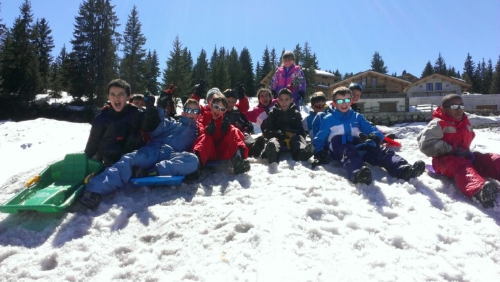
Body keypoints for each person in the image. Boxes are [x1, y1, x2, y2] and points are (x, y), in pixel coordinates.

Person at [79, 98, 202, 209]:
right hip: (156, 148)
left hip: (174, 155)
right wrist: (160, 108)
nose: (192, 113)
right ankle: (94, 190)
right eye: (188, 109)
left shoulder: (199, 130)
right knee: (129, 159)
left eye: (195, 111)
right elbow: (156, 130)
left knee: (193, 160)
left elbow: (207, 140)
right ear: (183, 112)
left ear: (199, 115)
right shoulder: (172, 123)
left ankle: (153, 170)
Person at [312, 86, 425, 184]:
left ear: (351, 101)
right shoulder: (328, 119)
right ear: (334, 103)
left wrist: (374, 137)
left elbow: (370, 128)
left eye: (346, 100)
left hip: (357, 144)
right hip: (339, 147)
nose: (344, 103)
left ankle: (403, 169)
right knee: (348, 150)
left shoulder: (357, 116)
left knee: (380, 150)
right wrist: (319, 152)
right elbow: (321, 137)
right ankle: (359, 173)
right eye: (340, 101)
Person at [417, 94, 500, 208]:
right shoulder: (438, 123)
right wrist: (452, 149)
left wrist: (464, 152)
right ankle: (479, 191)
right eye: (454, 106)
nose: (459, 109)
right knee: (461, 165)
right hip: (443, 161)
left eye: (461, 105)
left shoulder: (464, 122)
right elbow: (425, 145)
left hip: (465, 156)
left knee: (493, 159)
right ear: (443, 109)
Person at [84, 79, 160, 166]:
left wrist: (150, 108)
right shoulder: (101, 118)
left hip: (133, 161)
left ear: (128, 97)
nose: (116, 98)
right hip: (109, 162)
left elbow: (149, 126)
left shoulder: (136, 113)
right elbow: (93, 142)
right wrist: (85, 160)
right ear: (108, 97)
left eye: (121, 94)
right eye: (112, 95)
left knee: (135, 137)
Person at [192, 92, 250, 174]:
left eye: (222, 109)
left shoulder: (224, 121)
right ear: (211, 106)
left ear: (225, 111)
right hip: (207, 153)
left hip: (221, 153)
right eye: (216, 107)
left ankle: (238, 158)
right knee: (206, 137)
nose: (218, 110)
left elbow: (239, 135)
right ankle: (196, 165)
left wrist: (229, 128)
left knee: (234, 130)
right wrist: (206, 130)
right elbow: (198, 132)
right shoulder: (204, 118)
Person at [261, 88, 313, 163]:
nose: (284, 102)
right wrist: (278, 133)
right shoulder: (273, 114)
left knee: (299, 138)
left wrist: (295, 133)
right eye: (281, 100)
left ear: (291, 100)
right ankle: (272, 154)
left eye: (286, 99)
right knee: (273, 141)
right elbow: (267, 130)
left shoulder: (296, 114)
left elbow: (301, 130)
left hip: (293, 140)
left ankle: (301, 153)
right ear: (278, 100)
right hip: (278, 138)